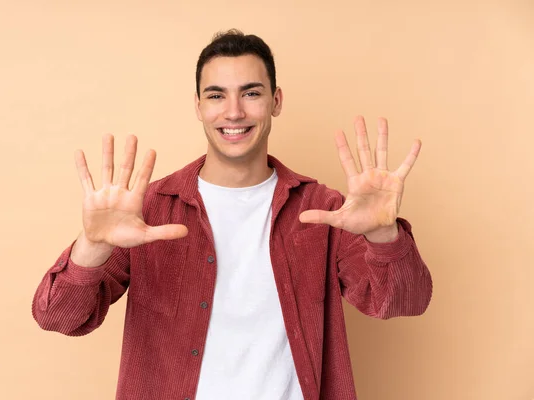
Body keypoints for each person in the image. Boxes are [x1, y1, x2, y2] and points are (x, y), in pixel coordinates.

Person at [32, 29, 433, 400]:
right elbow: (58, 317)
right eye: (217, 95)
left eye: (251, 93)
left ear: (276, 101)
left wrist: (384, 236)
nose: (234, 112)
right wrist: (92, 245)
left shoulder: (323, 209)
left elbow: (402, 302)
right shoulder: (149, 209)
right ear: (198, 106)